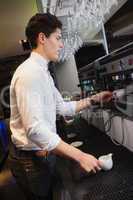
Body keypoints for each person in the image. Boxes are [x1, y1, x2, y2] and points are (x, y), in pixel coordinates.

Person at [9, 13, 112, 200]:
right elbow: (35, 130)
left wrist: (95, 98)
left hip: (43, 154)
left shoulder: (43, 74)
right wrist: (80, 155)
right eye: (58, 38)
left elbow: (63, 108)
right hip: (30, 160)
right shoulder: (30, 73)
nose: (61, 44)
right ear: (42, 38)